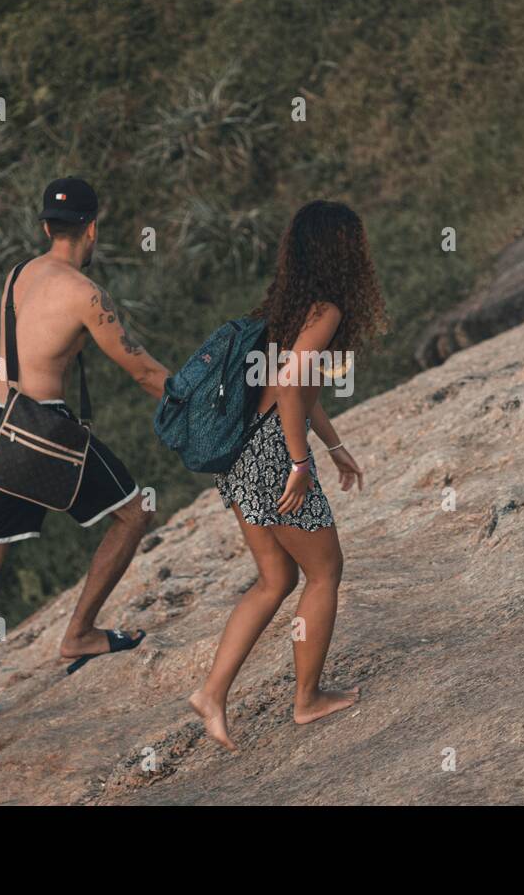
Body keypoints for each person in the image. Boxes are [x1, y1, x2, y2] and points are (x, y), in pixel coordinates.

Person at [0, 176, 170, 731]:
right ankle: (80, 633)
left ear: (45, 227)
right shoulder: (86, 294)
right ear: (93, 228)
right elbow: (141, 371)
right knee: (135, 514)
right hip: (43, 431)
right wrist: (206, 401)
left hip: (1, 423)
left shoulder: (17, 275)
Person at [189, 200, 389, 750]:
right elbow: (291, 379)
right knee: (325, 572)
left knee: (275, 579)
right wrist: (302, 461)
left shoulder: (287, 305)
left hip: (240, 455)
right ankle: (307, 700)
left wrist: (335, 445)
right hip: (276, 454)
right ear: (343, 251)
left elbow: (294, 382)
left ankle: (212, 693)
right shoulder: (325, 309)